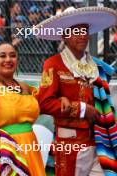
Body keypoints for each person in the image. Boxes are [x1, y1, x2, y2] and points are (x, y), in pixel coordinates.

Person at [0, 42, 71, 175]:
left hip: (30, 147)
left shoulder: (25, 87)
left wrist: (61, 98)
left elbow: (45, 101)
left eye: (12, 56)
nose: (8, 59)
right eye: (2, 56)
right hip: (5, 148)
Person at [36, 6, 117, 176]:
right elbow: (43, 103)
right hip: (70, 143)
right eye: (76, 32)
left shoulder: (97, 66)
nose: (83, 36)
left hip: (101, 141)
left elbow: (105, 103)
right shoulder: (53, 64)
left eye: (85, 31)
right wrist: (80, 109)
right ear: (65, 36)